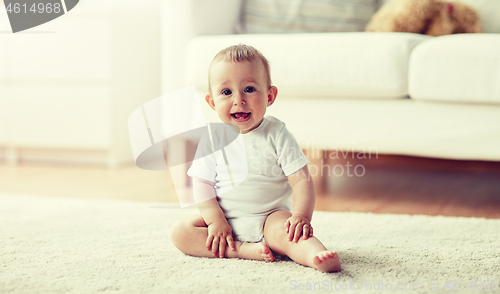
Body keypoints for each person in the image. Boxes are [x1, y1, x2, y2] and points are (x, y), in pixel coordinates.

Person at [170, 44, 341, 272]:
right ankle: (240, 250)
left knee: (288, 233)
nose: (238, 100)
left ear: (270, 96)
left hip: (269, 218)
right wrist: (215, 221)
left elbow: (301, 180)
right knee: (181, 232)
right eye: (226, 92)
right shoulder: (213, 138)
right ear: (212, 103)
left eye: (249, 89)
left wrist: (301, 216)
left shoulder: (276, 133)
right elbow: (202, 183)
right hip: (225, 220)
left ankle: (315, 255)